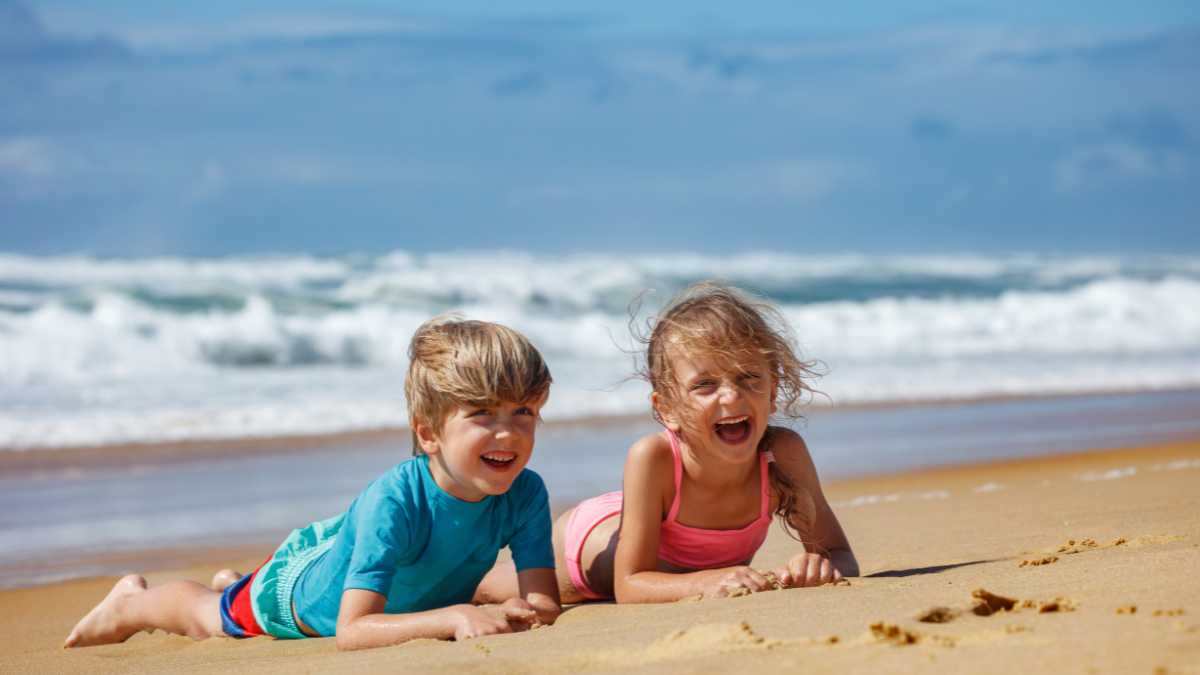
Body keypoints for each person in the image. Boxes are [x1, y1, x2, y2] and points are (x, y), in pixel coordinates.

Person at [65, 317, 561, 651]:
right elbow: (351, 631)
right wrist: (452, 617)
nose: (509, 432)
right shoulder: (396, 501)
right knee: (209, 617)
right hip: (296, 597)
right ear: (428, 433)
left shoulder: (526, 493)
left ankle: (233, 579)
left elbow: (543, 601)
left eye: (524, 412)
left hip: (350, 557)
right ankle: (133, 602)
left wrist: (528, 609)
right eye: (481, 414)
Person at [479, 281, 857, 605]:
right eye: (705, 385)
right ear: (667, 409)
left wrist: (817, 566)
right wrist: (708, 580)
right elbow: (629, 586)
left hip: (643, 516)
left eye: (748, 378)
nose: (731, 397)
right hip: (587, 546)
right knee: (478, 588)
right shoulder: (652, 457)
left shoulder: (781, 455)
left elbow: (840, 555)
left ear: (772, 392)